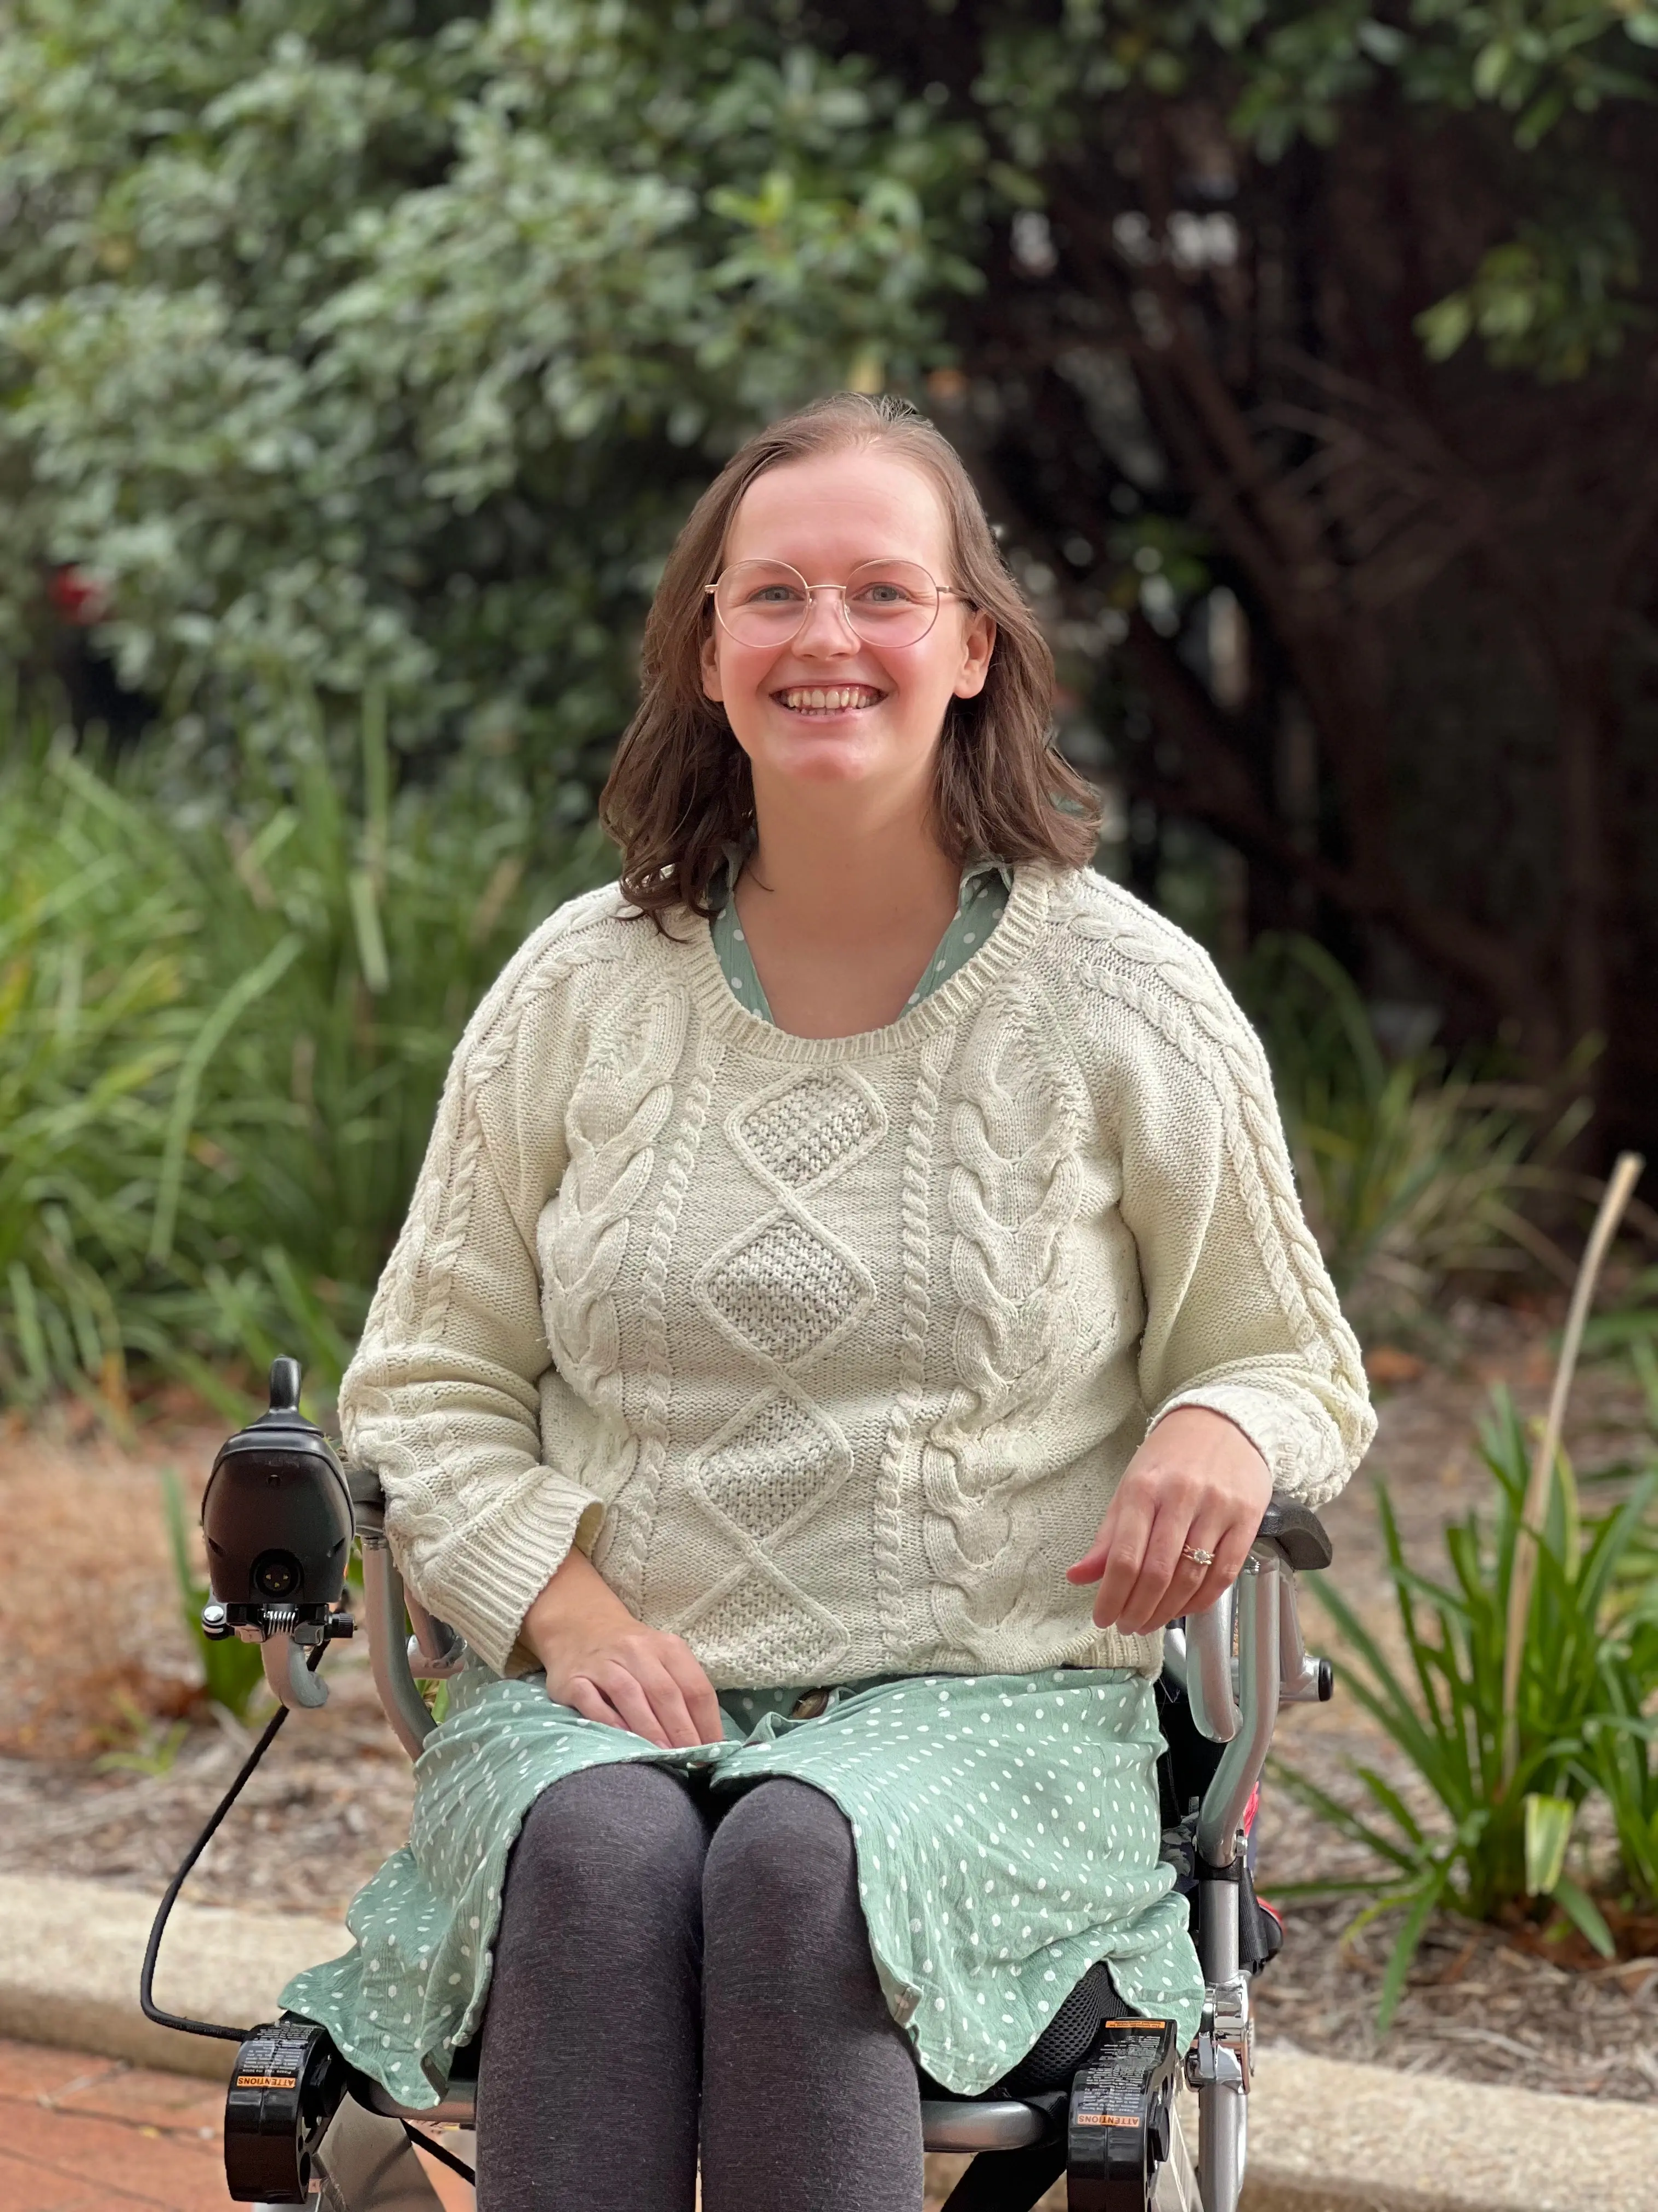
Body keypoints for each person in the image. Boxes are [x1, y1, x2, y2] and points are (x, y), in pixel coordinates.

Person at [282, 392, 1373, 2212]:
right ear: (708, 651)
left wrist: (1217, 1419)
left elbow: (1293, 1358)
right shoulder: (579, 991)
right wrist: (560, 1610)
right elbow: (426, 1385)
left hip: (995, 1711)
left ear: (970, 645)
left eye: (883, 591)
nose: (827, 639)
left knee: (803, 1858)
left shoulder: (1121, 995)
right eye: (772, 594)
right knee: (602, 1849)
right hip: (611, 1692)